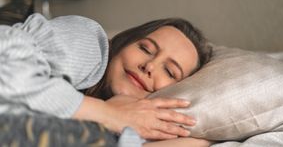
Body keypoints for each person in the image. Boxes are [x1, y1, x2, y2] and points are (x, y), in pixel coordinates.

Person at [0, 13, 213, 146]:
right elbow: (6, 62)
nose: (149, 66)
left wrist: (203, 139)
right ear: (123, 43)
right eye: (145, 48)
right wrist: (106, 113)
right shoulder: (90, 44)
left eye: (169, 71)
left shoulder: (138, 120)